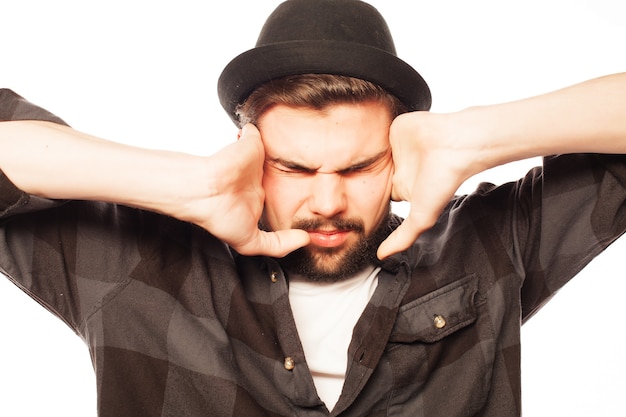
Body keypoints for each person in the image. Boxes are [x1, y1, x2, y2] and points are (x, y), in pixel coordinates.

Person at [1, 0, 625, 416]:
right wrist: (188, 184)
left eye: (359, 167)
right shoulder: (136, 265)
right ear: (248, 154)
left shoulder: (490, 247)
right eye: (292, 168)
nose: (327, 203)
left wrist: (471, 138)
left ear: (402, 154)